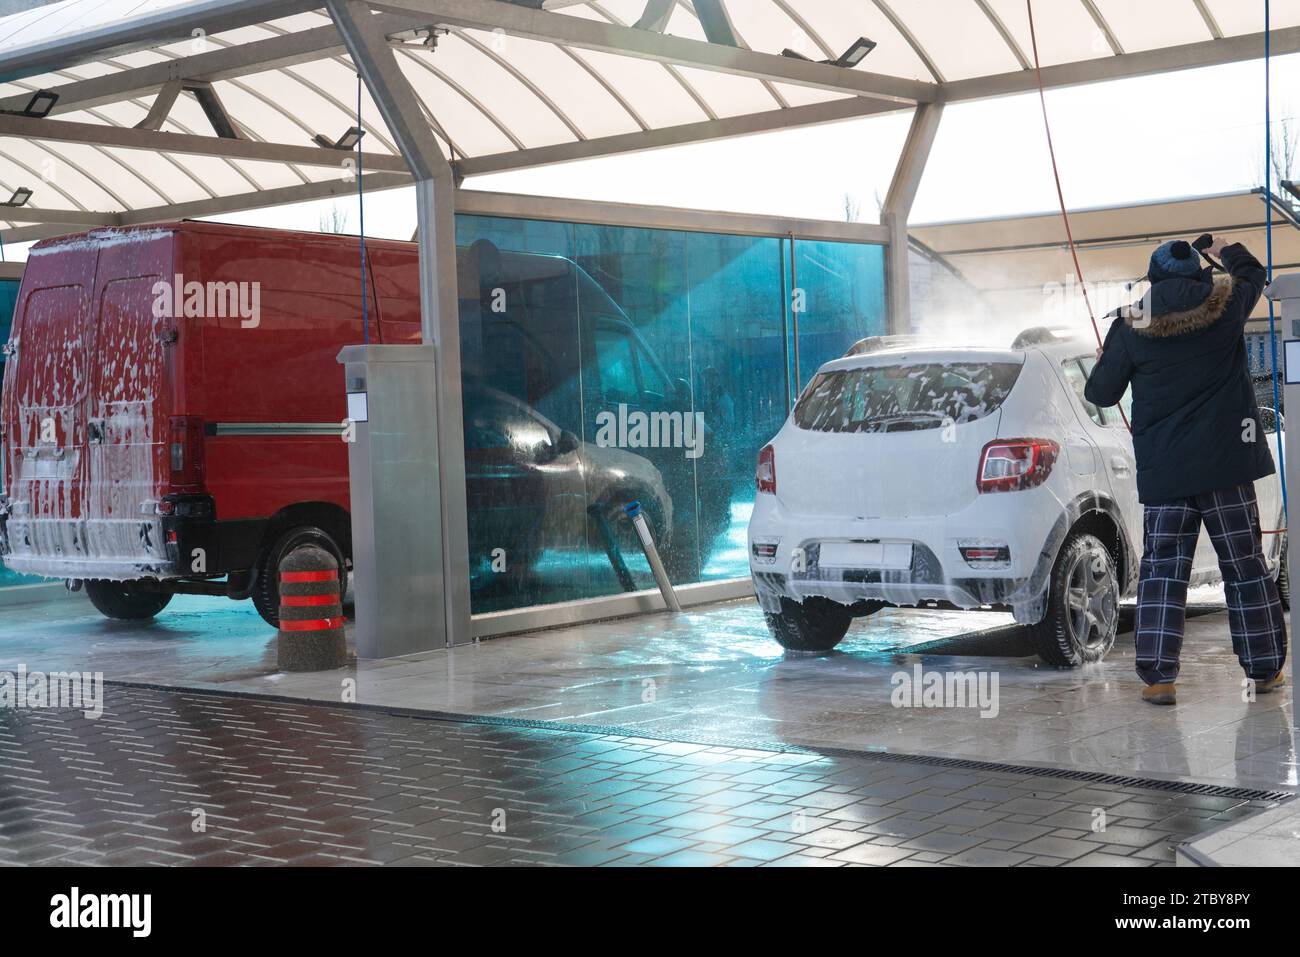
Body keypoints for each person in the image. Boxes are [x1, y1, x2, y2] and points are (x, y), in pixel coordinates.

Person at [1085, 236, 1287, 705]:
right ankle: (1262, 671)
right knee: (1245, 569)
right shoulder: (1227, 305)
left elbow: (1100, 392)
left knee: (1163, 573)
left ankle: (1159, 678)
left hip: (1167, 476)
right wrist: (1223, 248)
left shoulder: (1132, 323)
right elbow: (1253, 272)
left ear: (1153, 278)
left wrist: (1114, 351)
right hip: (1226, 469)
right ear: (1199, 274)